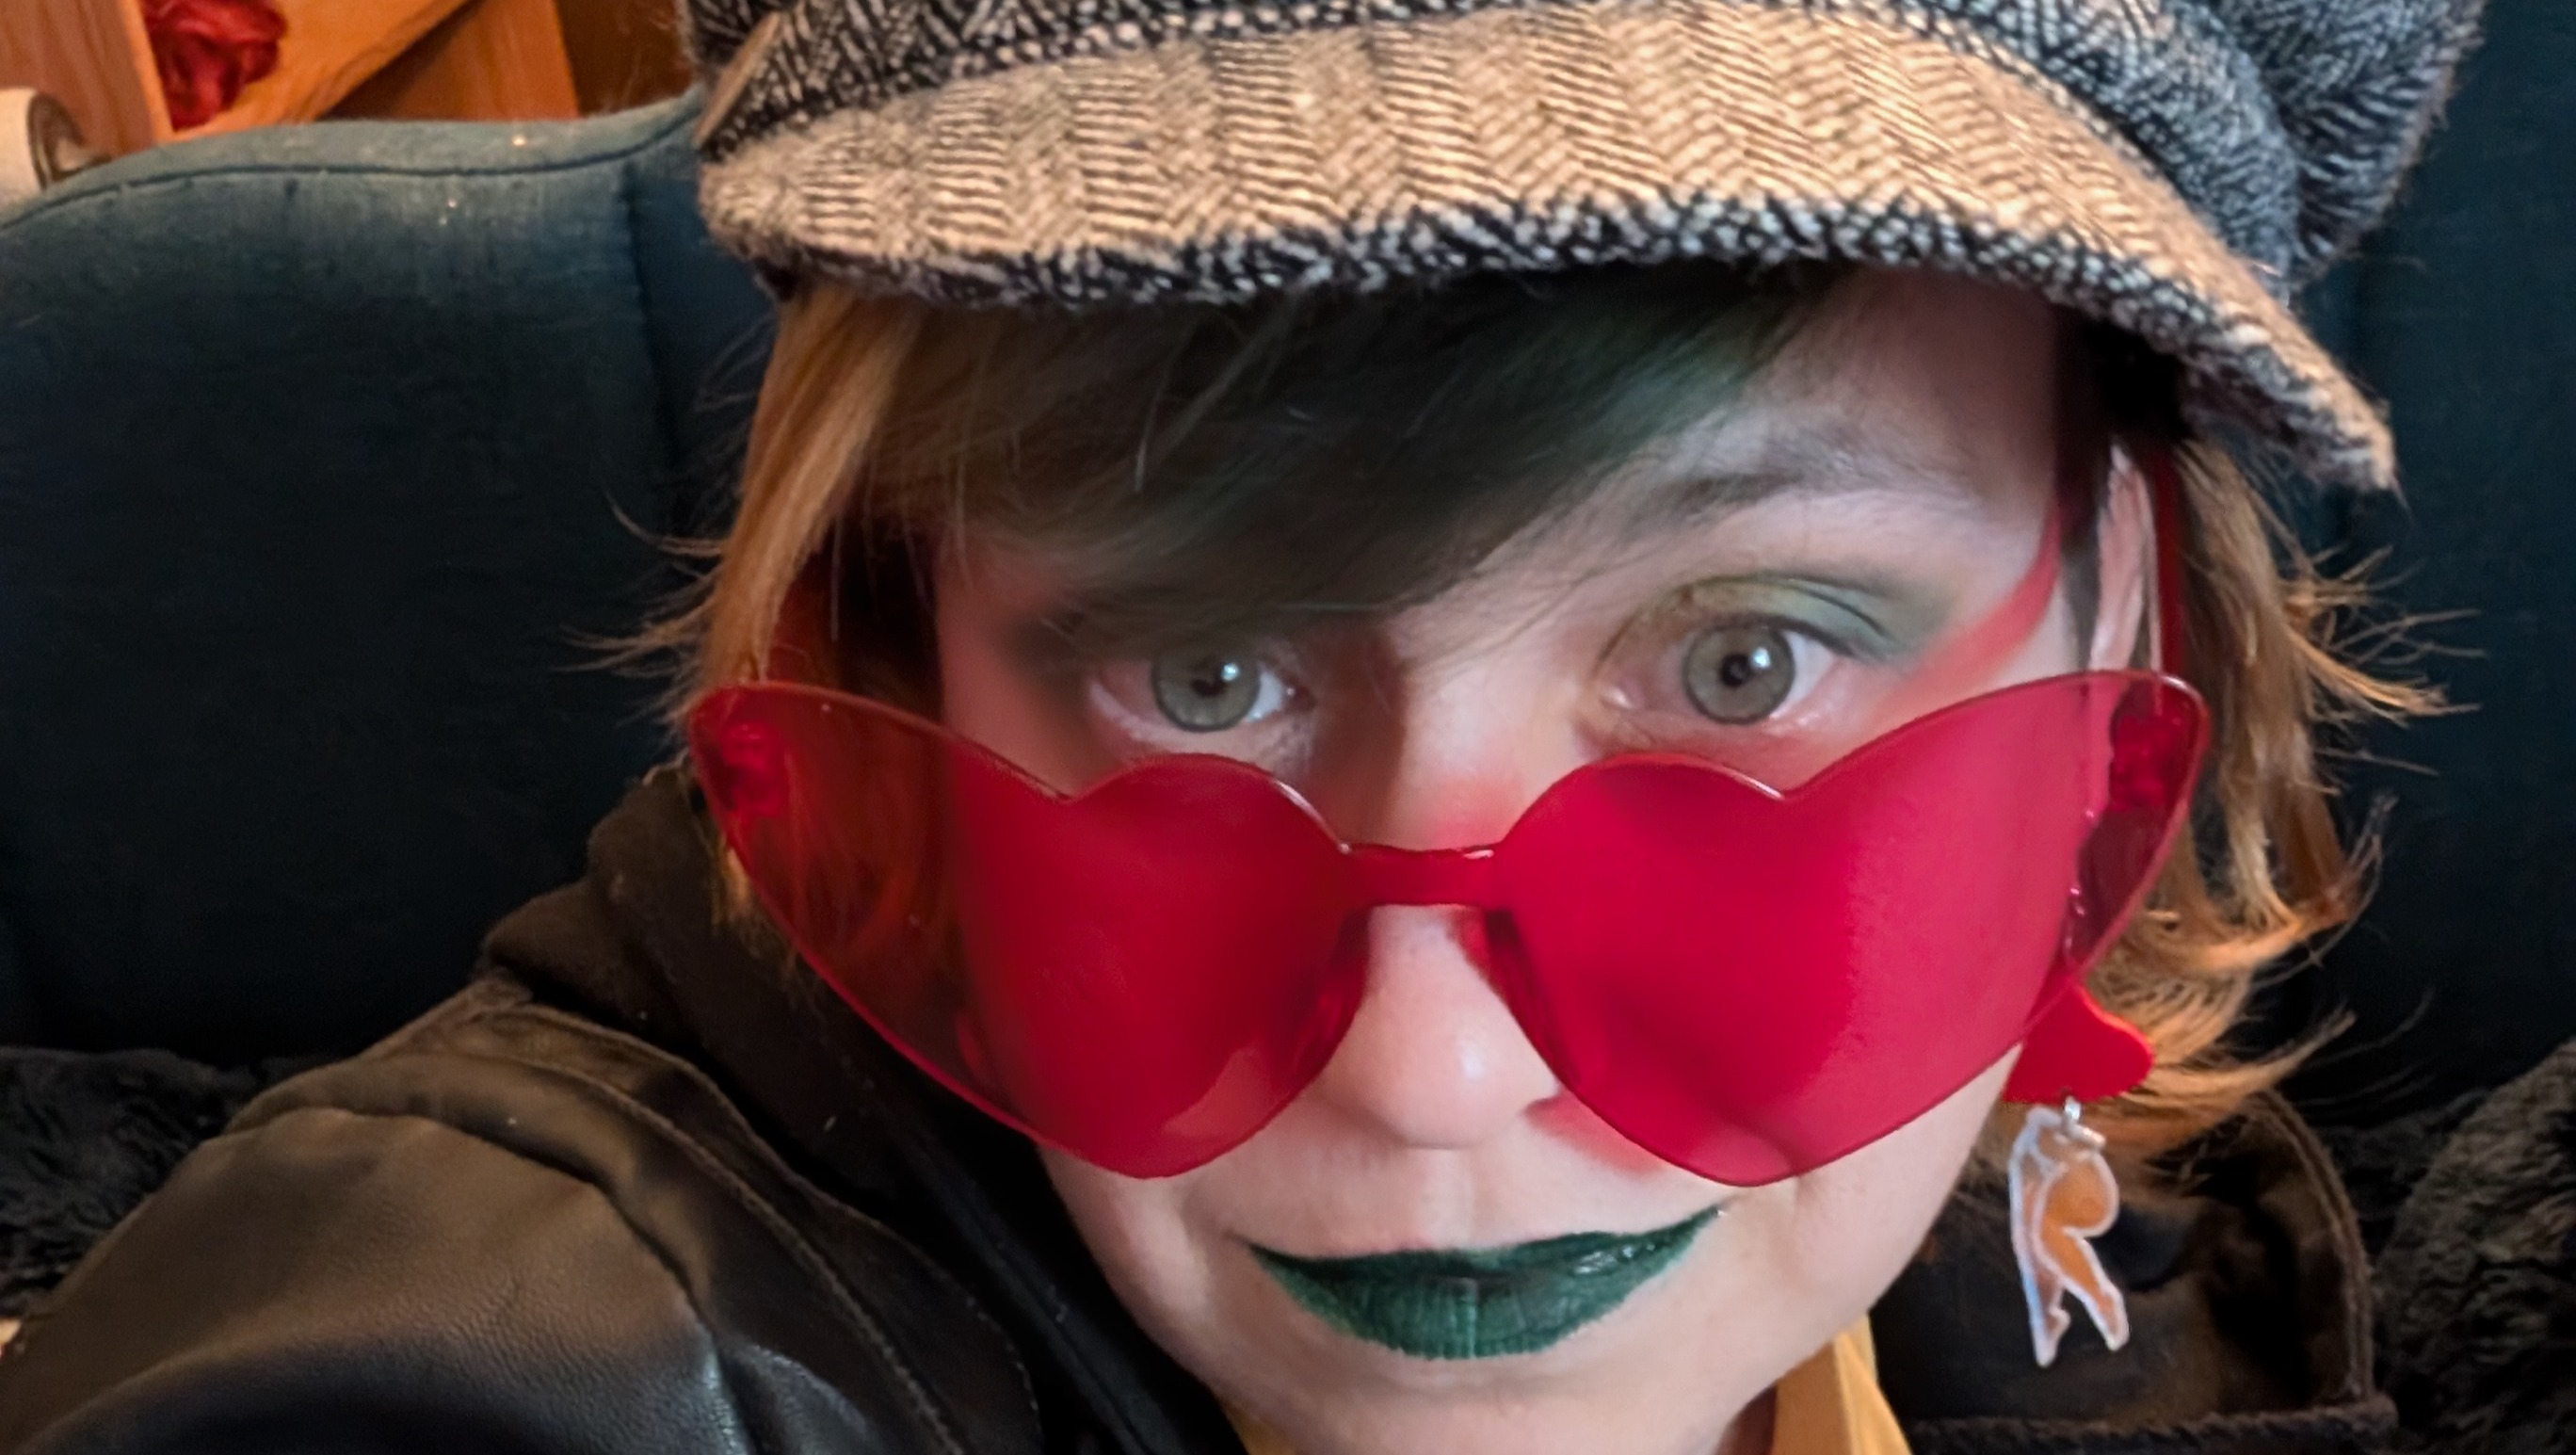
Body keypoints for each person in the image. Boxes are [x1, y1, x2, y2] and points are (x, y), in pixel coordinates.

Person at [0, 1, 2484, 1452]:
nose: (1428, 1074)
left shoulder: (2051, 1218)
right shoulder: (512, 1379)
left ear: (2119, 616)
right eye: (1207, 676)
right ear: (891, 656)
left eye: (1744, 663)